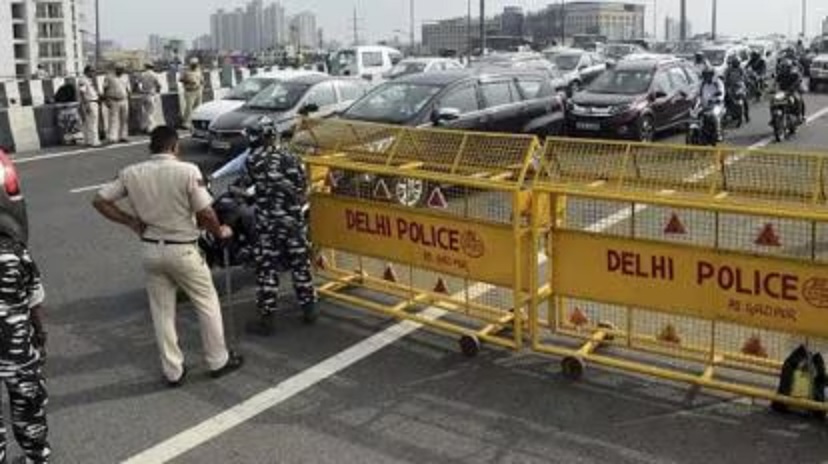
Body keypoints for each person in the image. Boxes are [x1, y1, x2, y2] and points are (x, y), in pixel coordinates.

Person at [92, 126, 244, 386]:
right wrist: (220, 232)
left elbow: (99, 200)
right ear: (175, 147)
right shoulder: (187, 171)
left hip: (151, 249)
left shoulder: (131, 173)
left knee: (162, 312)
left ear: (151, 147)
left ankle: (173, 371)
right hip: (183, 249)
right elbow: (206, 213)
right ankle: (217, 360)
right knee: (206, 303)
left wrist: (130, 221)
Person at [242, 117, 318, 336]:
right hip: (294, 222)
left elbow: (248, 186)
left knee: (267, 269)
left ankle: (267, 319)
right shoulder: (292, 156)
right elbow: (303, 186)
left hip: (268, 225)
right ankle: (309, 310)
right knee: (300, 264)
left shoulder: (253, 159)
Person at [0, 197, 50, 463]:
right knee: (28, 402)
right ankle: (35, 454)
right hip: (17, 345)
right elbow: (35, 300)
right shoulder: (17, 252)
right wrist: (40, 335)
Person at [102, 64, 131, 144]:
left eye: (122, 69)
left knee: (124, 119)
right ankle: (112, 137)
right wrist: (106, 100)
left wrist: (130, 100)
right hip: (113, 100)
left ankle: (123, 136)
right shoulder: (109, 77)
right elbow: (105, 88)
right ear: (116, 69)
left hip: (124, 100)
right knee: (113, 119)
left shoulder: (126, 77)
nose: (121, 70)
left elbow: (128, 89)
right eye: (120, 69)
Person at [699, 65, 726, 142]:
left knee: (716, 117)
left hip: (717, 104)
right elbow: (697, 92)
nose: (707, 76)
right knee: (697, 115)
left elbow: (722, 91)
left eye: (709, 74)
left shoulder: (718, 82)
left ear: (712, 74)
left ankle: (718, 134)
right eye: (705, 74)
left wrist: (718, 99)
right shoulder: (702, 83)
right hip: (705, 105)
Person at [78, 66, 101, 147]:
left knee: (89, 122)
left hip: (93, 102)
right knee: (93, 122)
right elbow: (82, 93)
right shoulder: (83, 80)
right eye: (92, 71)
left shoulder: (89, 79)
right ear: (87, 71)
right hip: (89, 102)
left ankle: (88, 141)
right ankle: (94, 141)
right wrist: (86, 104)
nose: (93, 73)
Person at [776, 58, 805, 122]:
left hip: (792, 91)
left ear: (790, 67)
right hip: (782, 92)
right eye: (783, 67)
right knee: (774, 101)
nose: (784, 68)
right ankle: (774, 117)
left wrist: (793, 87)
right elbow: (775, 82)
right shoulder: (780, 74)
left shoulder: (794, 74)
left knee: (798, 99)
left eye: (786, 67)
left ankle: (799, 115)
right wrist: (772, 88)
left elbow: (799, 80)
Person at [54, 80, 83, 145]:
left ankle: (68, 139)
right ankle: (77, 138)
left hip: (63, 113)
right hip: (73, 112)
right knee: (75, 126)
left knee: (66, 127)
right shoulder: (74, 99)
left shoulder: (60, 98)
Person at [723, 55, 749, 123]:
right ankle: (727, 114)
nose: (736, 64)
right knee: (727, 99)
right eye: (734, 62)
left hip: (740, 86)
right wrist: (726, 84)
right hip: (731, 87)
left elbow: (745, 77)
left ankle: (746, 115)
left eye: (737, 62)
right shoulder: (728, 70)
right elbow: (725, 78)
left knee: (745, 100)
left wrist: (746, 82)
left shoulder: (741, 69)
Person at [179, 58, 204, 130]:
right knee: (189, 108)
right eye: (193, 64)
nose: (194, 66)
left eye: (196, 64)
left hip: (198, 90)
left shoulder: (198, 70)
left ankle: (195, 122)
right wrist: (189, 81)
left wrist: (201, 84)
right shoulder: (186, 71)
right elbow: (181, 79)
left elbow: (202, 80)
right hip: (189, 91)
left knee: (198, 107)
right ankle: (185, 123)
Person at [138, 64, 163, 134]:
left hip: (143, 94)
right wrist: (157, 92)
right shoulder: (154, 75)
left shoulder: (142, 74)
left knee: (145, 112)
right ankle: (151, 128)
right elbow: (159, 85)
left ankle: (143, 127)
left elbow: (137, 83)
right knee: (151, 113)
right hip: (151, 94)